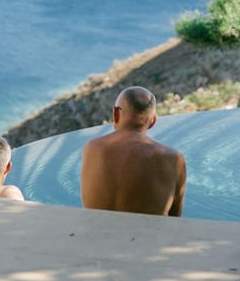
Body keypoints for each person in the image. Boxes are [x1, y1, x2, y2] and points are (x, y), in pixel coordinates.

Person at [80, 86, 186, 216]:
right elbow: (175, 219)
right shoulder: (173, 159)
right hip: (147, 236)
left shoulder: (91, 148)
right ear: (153, 121)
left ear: (116, 114)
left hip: (94, 235)